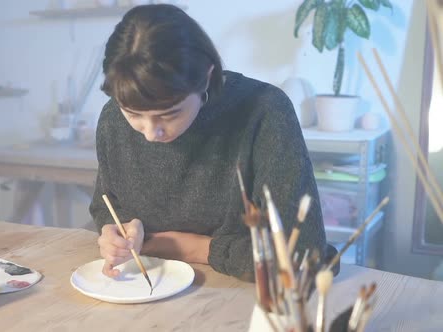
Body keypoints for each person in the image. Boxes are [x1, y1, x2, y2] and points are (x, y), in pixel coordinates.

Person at [89, 4, 327, 279]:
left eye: (169, 114)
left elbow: (303, 254)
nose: (151, 132)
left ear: (206, 78)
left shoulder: (264, 111)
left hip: (244, 290)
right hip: (145, 282)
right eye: (133, 114)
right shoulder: (112, 118)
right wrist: (115, 232)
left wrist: (191, 248)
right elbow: (105, 205)